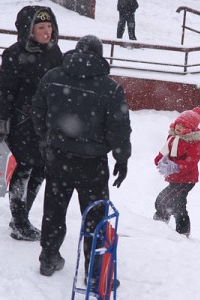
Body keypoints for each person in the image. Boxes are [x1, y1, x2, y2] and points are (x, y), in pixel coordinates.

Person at [31, 35, 132, 280]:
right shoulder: (111, 88)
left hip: (58, 158)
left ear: (76, 51)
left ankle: (48, 258)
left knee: (53, 210)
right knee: (95, 217)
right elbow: (118, 127)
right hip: (93, 164)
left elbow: (37, 111)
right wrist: (121, 158)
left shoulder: (53, 77)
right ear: (99, 55)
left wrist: (47, 141)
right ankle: (95, 273)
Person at [0, 6, 63, 241]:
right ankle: (20, 222)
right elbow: (5, 90)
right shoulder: (13, 54)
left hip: (48, 123)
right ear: (29, 30)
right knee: (22, 170)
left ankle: (21, 217)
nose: (47, 32)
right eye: (41, 27)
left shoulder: (55, 52)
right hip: (22, 122)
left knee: (41, 169)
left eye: (49, 26)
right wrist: (1, 121)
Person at [153, 107, 200, 237]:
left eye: (183, 126)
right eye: (178, 124)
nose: (179, 127)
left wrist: (175, 166)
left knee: (163, 200)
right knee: (177, 205)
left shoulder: (193, 143)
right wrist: (160, 160)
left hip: (187, 179)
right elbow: (164, 152)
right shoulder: (172, 137)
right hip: (175, 178)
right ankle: (175, 232)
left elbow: (191, 162)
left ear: (190, 129)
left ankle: (161, 227)